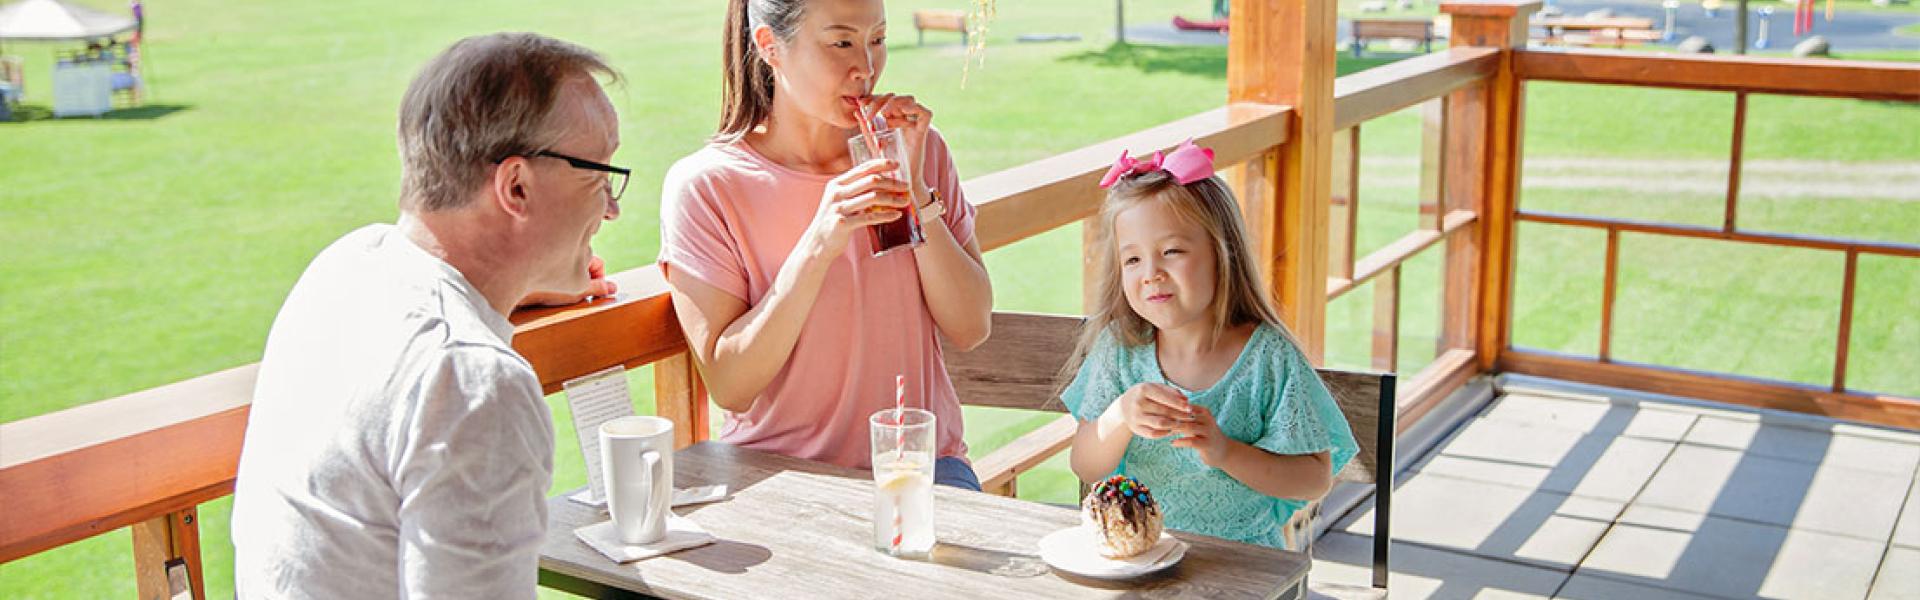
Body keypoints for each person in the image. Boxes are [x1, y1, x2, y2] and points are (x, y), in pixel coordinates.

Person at [231, 33, 623, 598]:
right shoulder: (471, 381)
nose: (610, 206)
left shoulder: (347, 268)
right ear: (516, 186)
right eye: (599, 173)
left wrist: (513, 289)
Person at [658, 0, 993, 488]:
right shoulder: (708, 186)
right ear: (770, 47)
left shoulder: (919, 149)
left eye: (877, 40)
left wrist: (917, 192)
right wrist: (820, 240)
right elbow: (731, 385)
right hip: (778, 478)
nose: (867, 68)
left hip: (919, 468)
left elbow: (971, 326)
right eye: (841, 42)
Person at [1060, 140, 1359, 549]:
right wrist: (1119, 416)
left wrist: (1225, 452)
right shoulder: (1120, 350)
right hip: (1144, 557)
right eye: (1133, 260)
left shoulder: (1267, 358)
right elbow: (1085, 464)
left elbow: (1314, 479)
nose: (1151, 273)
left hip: (1246, 565)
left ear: (1223, 253)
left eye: (1171, 251)